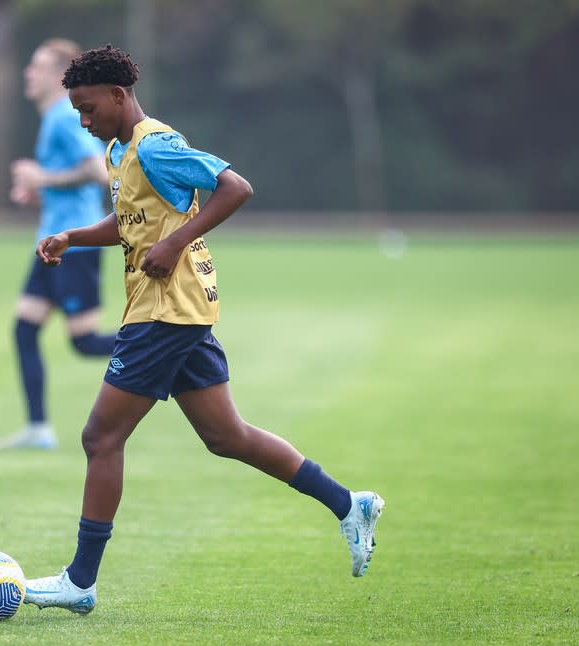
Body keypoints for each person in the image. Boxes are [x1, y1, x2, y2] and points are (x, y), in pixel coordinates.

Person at [22, 45, 385, 614]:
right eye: (78, 111)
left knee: (101, 438)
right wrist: (73, 237)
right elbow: (130, 225)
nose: (84, 121)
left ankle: (80, 581)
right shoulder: (120, 150)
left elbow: (235, 187)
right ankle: (349, 504)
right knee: (227, 437)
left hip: (164, 312)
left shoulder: (157, 145)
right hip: (180, 309)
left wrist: (173, 243)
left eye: (89, 108)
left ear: (119, 96)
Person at [0, 38, 117, 451]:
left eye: (37, 66)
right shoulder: (52, 119)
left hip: (75, 247)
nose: (28, 73)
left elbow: (98, 170)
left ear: (58, 77)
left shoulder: (65, 117)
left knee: (83, 342)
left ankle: (167, 344)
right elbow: (70, 179)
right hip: (49, 246)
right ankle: (38, 428)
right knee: (24, 329)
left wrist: (42, 178)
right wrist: (39, 191)